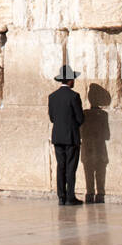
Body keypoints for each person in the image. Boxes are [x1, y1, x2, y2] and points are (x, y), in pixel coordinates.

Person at [48, 63, 84, 206]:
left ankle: (61, 197)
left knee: (60, 166)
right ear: (70, 80)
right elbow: (80, 118)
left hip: (57, 136)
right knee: (71, 167)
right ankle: (70, 197)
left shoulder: (52, 96)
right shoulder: (74, 96)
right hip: (71, 137)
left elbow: (52, 117)